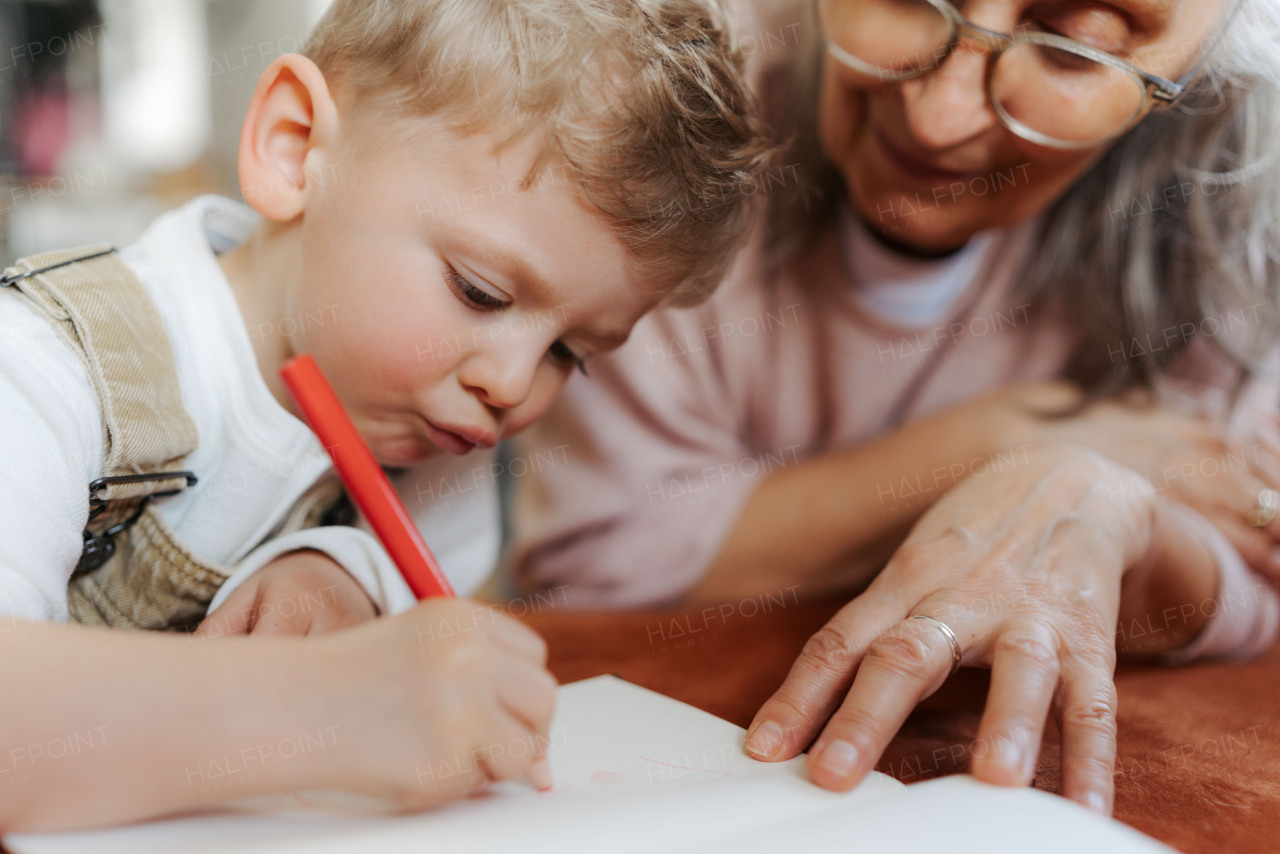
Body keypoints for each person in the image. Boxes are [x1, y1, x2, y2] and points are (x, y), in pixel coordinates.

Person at [0, 0, 773, 831]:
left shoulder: (441, 437)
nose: (514, 387)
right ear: (294, 148)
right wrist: (316, 703)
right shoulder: (46, 369)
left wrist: (341, 572)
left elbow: (426, 640)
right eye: (480, 292)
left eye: (570, 352)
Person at [508, 0, 1280, 816]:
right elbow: (592, 566)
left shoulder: (1229, 193)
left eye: (1070, 50)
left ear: (1195, 78)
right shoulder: (680, 86)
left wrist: (1105, 501)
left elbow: (1253, 558)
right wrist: (1006, 441)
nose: (936, 115)